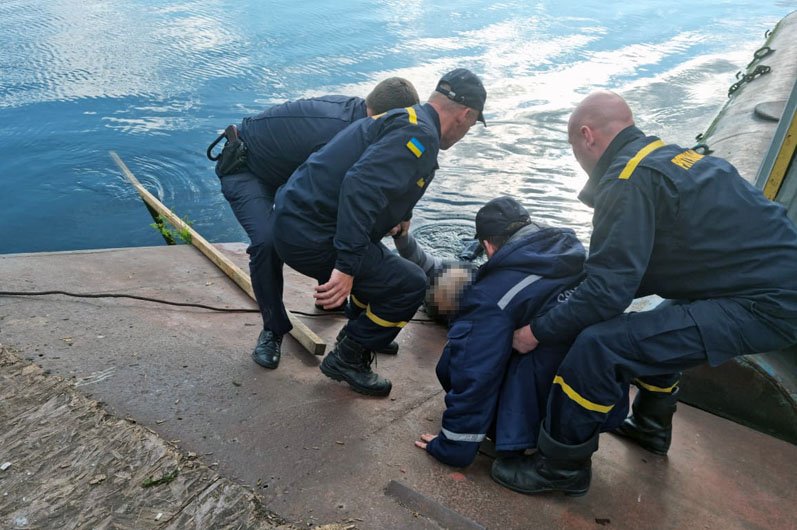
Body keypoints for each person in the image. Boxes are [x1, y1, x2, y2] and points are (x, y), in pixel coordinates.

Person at [491, 90, 797, 496]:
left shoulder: (626, 179)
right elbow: (649, 266)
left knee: (602, 346)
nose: (578, 160)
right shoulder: (671, 156)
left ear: (587, 136)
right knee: (663, 323)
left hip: (769, 303)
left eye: (573, 147)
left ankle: (561, 468)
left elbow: (606, 295)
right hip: (764, 282)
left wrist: (536, 331)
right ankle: (651, 426)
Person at [270, 68, 488, 396]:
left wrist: (401, 214)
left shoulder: (408, 117)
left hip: (296, 219)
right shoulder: (420, 136)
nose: (466, 133)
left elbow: (375, 175)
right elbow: (360, 186)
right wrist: (345, 266)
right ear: (466, 115)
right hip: (309, 234)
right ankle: (349, 357)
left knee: (378, 262)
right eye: (471, 125)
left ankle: (363, 330)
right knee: (410, 284)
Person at [211, 78, 420, 370]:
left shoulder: (364, 121)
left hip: (289, 170)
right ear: (385, 116)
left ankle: (329, 300)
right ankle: (273, 329)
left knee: (332, 222)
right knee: (269, 241)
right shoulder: (342, 132)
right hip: (246, 167)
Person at [412, 197, 628, 468]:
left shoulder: (492, 296)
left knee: (457, 357)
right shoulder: (572, 257)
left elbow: (474, 370)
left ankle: (520, 436)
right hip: (600, 401)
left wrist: (453, 444)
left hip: (550, 407)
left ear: (488, 246)